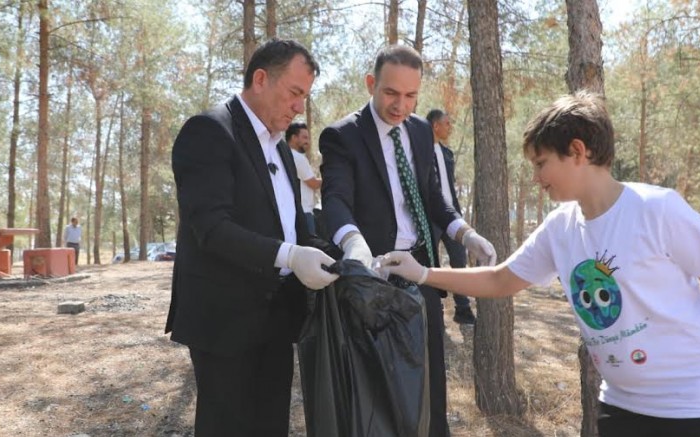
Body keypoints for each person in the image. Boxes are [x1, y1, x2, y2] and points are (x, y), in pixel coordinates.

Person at [379, 91, 700, 437]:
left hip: (697, 408)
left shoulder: (658, 210)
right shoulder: (561, 228)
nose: (536, 178)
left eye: (542, 163)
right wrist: (423, 273)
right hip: (620, 407)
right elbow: (500, 279)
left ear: (577, 151)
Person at [320, 44, 497, 437]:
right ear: (371, 83)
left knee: (431, 383)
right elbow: (335, 201)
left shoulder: (420, 131)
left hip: (420, 271)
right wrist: (354, 244)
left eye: (411, 96)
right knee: (378, 390)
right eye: (391, 93)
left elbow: (434, 200)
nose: (401, 106)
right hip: (371, 278)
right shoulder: (342, 136)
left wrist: (466, 234)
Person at [164, 39, 339, 437]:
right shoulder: (209, 131)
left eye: (305, 97)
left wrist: (344, 255)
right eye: (295, 93)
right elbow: (211, 228)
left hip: (276, 318)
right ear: (261, 79)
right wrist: (290, 256)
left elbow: (292, 228)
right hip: (224, 319)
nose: (299, 107)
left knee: (270, 424)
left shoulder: (279, 147)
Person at [426, 108, 475, 325]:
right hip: (429, 217)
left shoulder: (448, 154)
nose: (450, 128)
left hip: (452, 217)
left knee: (459, 260)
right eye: (447, 123)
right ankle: (434, 310)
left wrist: (457, 213)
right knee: (431, 262)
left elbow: (450, 188)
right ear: (435, 125)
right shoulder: (420, 152)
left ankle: (462, 309)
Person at [286, 122, 321, 236]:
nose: (308, 141)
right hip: (304, 212)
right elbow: (313, 184)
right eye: (304, 137)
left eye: (309, 138)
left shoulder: (284, 154)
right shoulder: (297, 157)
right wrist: (332, 178)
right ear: (294, 138)